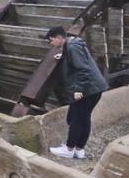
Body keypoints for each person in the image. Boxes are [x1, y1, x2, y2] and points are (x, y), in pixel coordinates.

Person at [45, 27, 108, 159]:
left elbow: (83, 69)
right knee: (84, 119)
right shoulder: (73, 44)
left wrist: (79, 89)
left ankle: (69, 149)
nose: (51, 44)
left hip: (87, 89)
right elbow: (79, 60)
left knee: (76, 119)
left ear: (58, 38)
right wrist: (63, 56)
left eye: (51, 41)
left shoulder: (72, 47)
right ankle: (79, 150)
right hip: (94, 88)